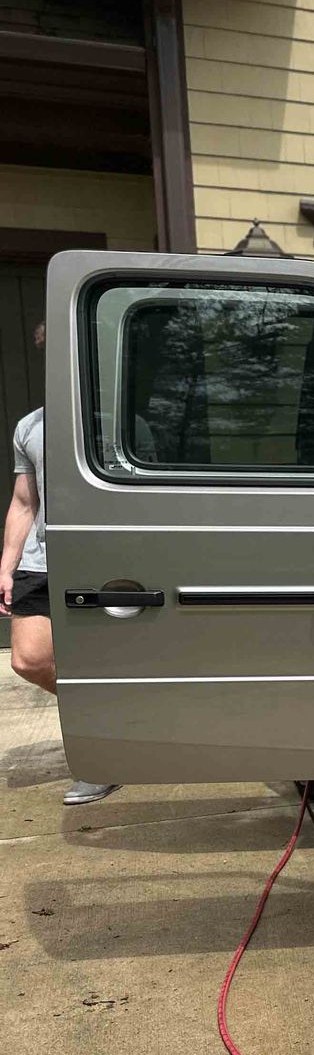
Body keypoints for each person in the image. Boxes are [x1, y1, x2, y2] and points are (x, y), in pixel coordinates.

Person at [3, 321, 118, 805]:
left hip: (100, 561)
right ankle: (109, 725)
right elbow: (24, 503)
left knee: (104, 662)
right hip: (42, 559)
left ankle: (104, 757)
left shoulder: (116, 420)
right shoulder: (29, 426)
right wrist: (6, 566)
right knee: (29, 660)